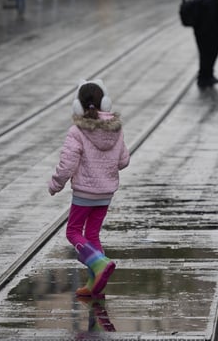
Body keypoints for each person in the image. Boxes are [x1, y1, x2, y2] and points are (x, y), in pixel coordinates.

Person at [48, 79, 129, 297]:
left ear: (78, 106)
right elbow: (123, 161)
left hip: (84, 192)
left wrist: (56, 184)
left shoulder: (77, 131)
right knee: (92, 234)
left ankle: (100, 263)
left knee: (73, 231)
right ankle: (95, 283)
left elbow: (67, 165)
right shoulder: (116, 129)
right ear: (105, 103)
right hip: (105, 193)